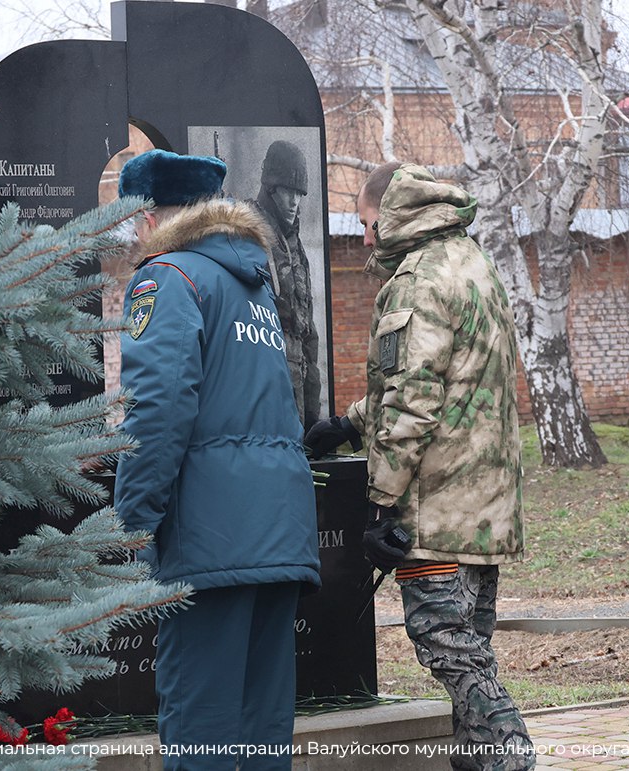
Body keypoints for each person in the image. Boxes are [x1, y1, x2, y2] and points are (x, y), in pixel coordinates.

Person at [304, 162, 534, 770]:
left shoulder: (417, 281)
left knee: (446, 648)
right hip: (485, 507)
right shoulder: (473, 262)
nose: (363, 237)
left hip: (436, 509)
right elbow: (439, 377)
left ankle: (510, 754)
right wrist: (349, 424)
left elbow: (412, 400)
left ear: (394, 214)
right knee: (471, 649)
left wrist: (380, 503)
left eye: (366, 222)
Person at [114, 149, 320, 770]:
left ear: (148, 216)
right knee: (262, 729)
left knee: (198, 725)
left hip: (208, 537)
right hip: (278, 529)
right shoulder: (251, 280)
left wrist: (132, 518)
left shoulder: (166, 278)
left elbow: (158, 407)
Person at [252, 139, 322, 428]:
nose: (294, 201)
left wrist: (313, 384)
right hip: (269, 375)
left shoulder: (294, 243)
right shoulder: (251, 233)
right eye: (287, 191)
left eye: (299, 193)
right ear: (271, 189)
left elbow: (306, 326)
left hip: (300, 377)